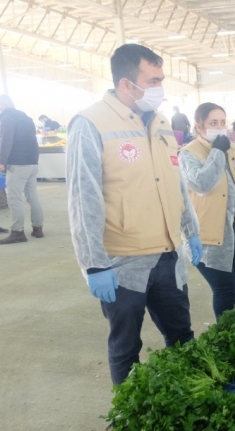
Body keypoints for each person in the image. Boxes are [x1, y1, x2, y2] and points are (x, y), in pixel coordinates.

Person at [66, 44, 203, 386]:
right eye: (153, 80)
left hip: (168, 256)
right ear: (127, 84)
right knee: (127, 345)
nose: (160, 88)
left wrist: (190, 229)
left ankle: (186, 396)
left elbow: (176, 182)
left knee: (181, 336)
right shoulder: (90, 123)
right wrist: (94, 263)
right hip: (123, 262)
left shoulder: (160, 121)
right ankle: (127, 416)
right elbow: (84, 198)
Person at [180, 103, 235, 319]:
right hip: (210, 236)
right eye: (213, 123)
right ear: (199, 127)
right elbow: (201, 184)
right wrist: (217, 151)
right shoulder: (188, 154)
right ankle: (225, 334)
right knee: (224, 288)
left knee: (231, 284)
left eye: (222, 122)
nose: (220, 127)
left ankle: (228, 331)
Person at [0, 95, 45, 244]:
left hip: (18, 164)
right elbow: (33, 140)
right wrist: (34, 160)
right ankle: (38, 228)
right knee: (32, 196)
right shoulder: (26, 118)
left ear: (4, 104)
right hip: (32, 163)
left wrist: (1, 161)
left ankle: (18, 231)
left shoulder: (7, 117)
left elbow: (6, 140)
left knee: (14, 197)